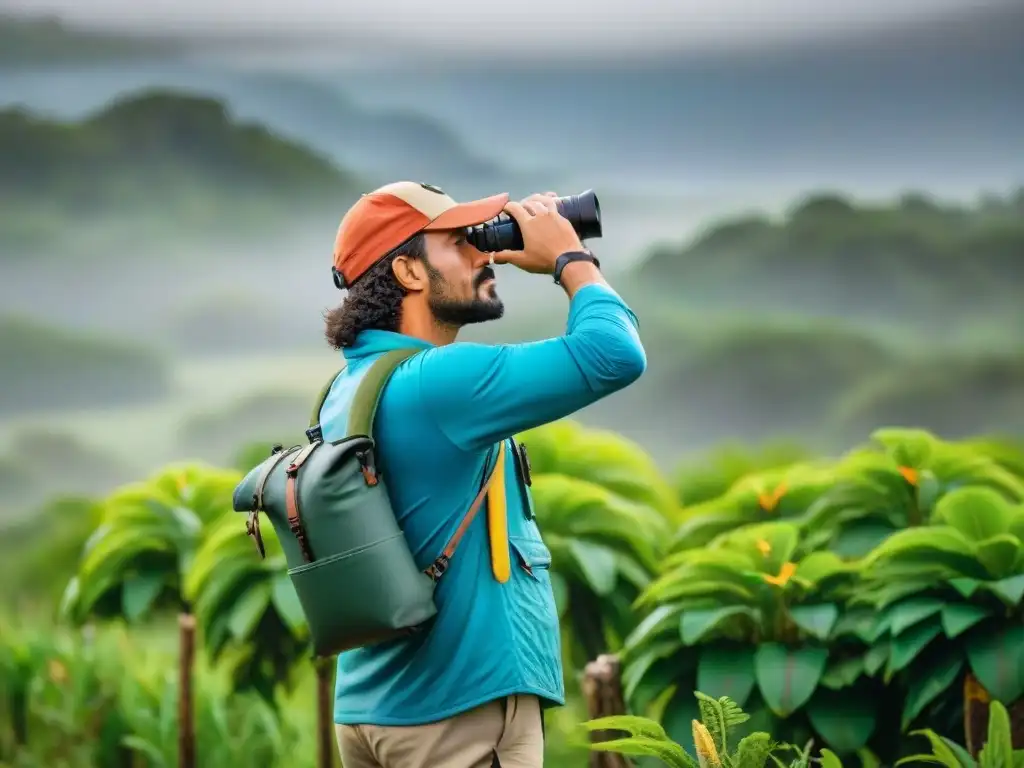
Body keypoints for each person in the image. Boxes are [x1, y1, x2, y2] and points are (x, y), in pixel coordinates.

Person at [319, 181, 646, 768]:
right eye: (461, 242)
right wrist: (571, 259)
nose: (485, 253)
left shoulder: (349, 386)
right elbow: (614, 354)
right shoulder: (439, 382)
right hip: (459, 710)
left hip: (373, 709)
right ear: (409, 273)